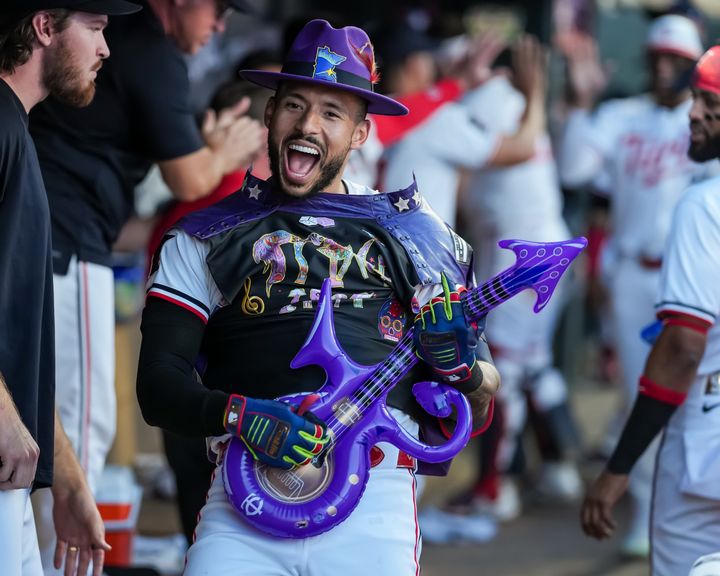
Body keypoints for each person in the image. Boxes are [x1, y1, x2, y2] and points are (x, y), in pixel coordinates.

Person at [136, 19, 500, 576]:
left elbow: (477, 410)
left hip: (374, 500)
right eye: (294, 104)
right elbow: (157, 386)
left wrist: (463, 371)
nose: (308, 124)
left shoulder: (418, 234)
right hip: (242, 499)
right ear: (269, 113)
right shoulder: (204, 235)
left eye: (332, 113)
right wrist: (237, 414)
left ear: (359, 134)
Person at [27, 0, 265, 570]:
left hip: (53, 238)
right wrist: (224, 151)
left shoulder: (131, 45)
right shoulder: (150, 49)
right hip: (66, 248)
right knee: (78, 432)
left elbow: (154, 215)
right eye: (216, 10)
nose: (219, 27)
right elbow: (188, 177)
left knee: (51, 424)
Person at [558, 13, 713, 556]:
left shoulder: (703, 127)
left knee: (692, 393)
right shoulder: (623, 115)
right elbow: (577, 172)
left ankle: (675, 513)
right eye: (658, 57)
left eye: (678, 58)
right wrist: (581, 101)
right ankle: (650, 514)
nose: (666, 67)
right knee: (641, 393)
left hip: (696, 285)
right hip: (636, 276)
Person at [0, 1, 139, 575]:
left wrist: (70, 478)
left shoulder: (17, 128)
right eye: (97, 29)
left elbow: (23, 338)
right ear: (44, 27)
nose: (106, 49)